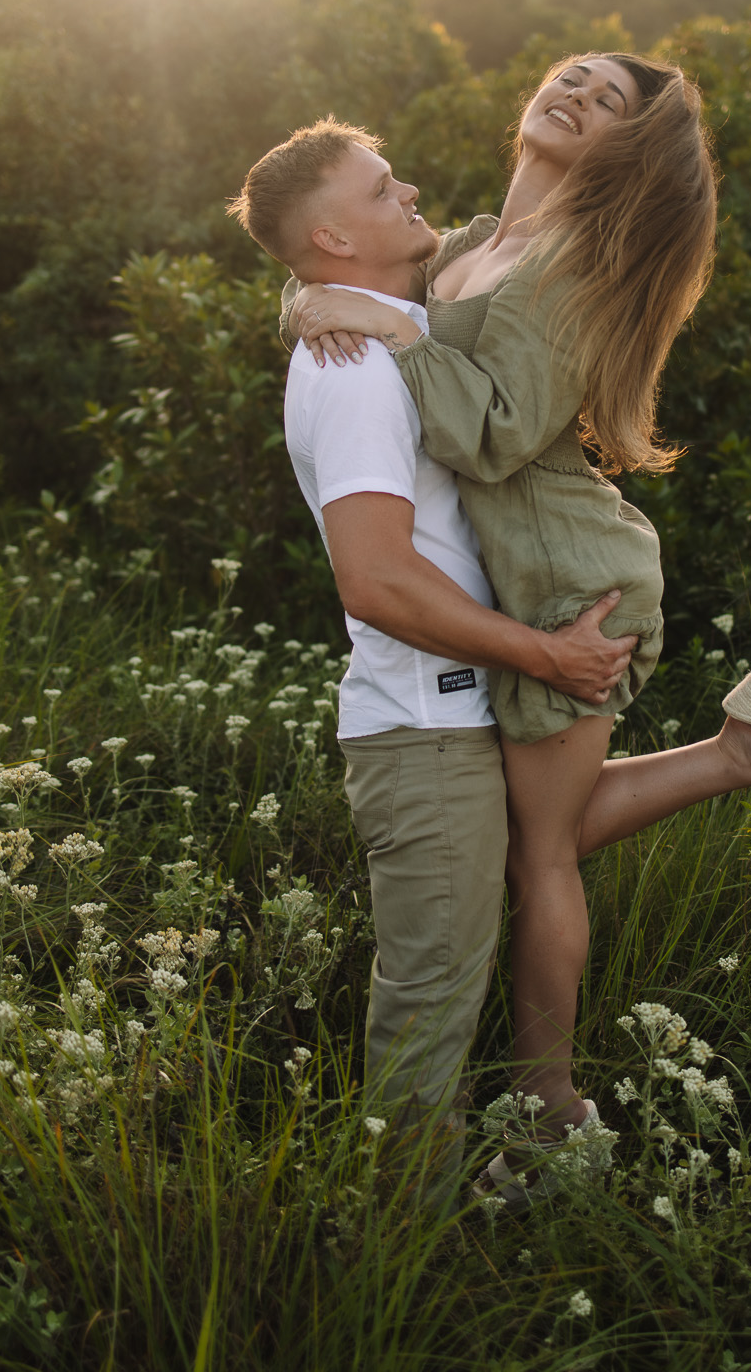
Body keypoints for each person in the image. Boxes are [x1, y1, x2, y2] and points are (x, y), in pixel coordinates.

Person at [286, 55, 751, 1202]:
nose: (577, 97)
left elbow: (501, 430)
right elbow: (343, 258)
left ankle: (550, 1109)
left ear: (625, 153)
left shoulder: (573, 264)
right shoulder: (469, 237)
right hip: (519, 579)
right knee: (522, 836)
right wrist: (310, 296)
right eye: (572, 75)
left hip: (571, 580)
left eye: (610, 104)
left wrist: (385, 329)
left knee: (541, 850)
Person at [230, 117, 636, 1191]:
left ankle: (748, 752)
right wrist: (547, 656)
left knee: (537, 862)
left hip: (452, 718)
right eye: (380, 185)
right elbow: (379, 578)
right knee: (428, 1018)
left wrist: (304, 294)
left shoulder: (388, 325)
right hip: (424, 726)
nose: (410, 185)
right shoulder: (359, 369)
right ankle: (396, 1267)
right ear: (332, 232)